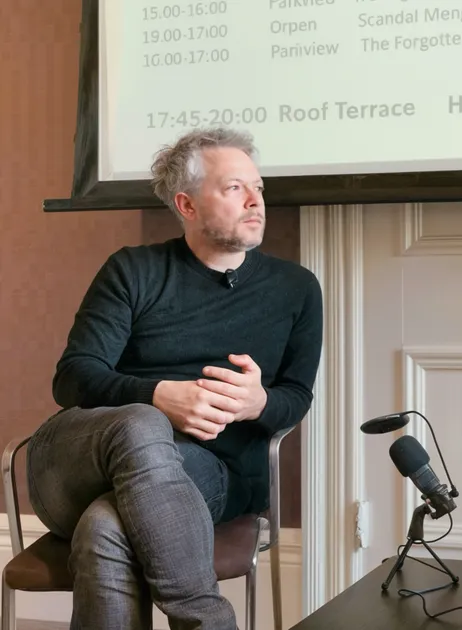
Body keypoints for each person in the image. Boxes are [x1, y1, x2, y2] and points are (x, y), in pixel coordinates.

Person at [26, 127, 323, 629]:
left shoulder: (295, 289)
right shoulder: (133, 270)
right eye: (234, 188)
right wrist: (158, 396)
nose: (256, 201)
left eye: (259, 187)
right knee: (142, 422)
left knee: (105, 527)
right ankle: (206, 620)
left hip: (208, 473)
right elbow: (73, 379)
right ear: (186, 205)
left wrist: (258, 403)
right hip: (80, 463)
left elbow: (295, 396)